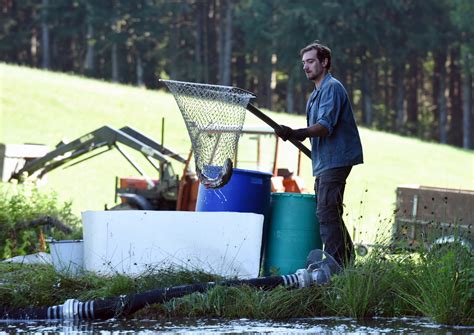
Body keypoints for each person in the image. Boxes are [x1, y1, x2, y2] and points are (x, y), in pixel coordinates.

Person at [277, 42, 363, 269]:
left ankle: (335, 268)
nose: (306, 67)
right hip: (324, 161)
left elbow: (324, 126)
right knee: (329, 212)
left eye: (311, 61)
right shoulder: (315, 95)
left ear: (324, 62)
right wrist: (294, 133)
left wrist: (298, 133)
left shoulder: (332, 88)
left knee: (326, 212)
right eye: (304, 63)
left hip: (336, 159)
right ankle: (346, 264)